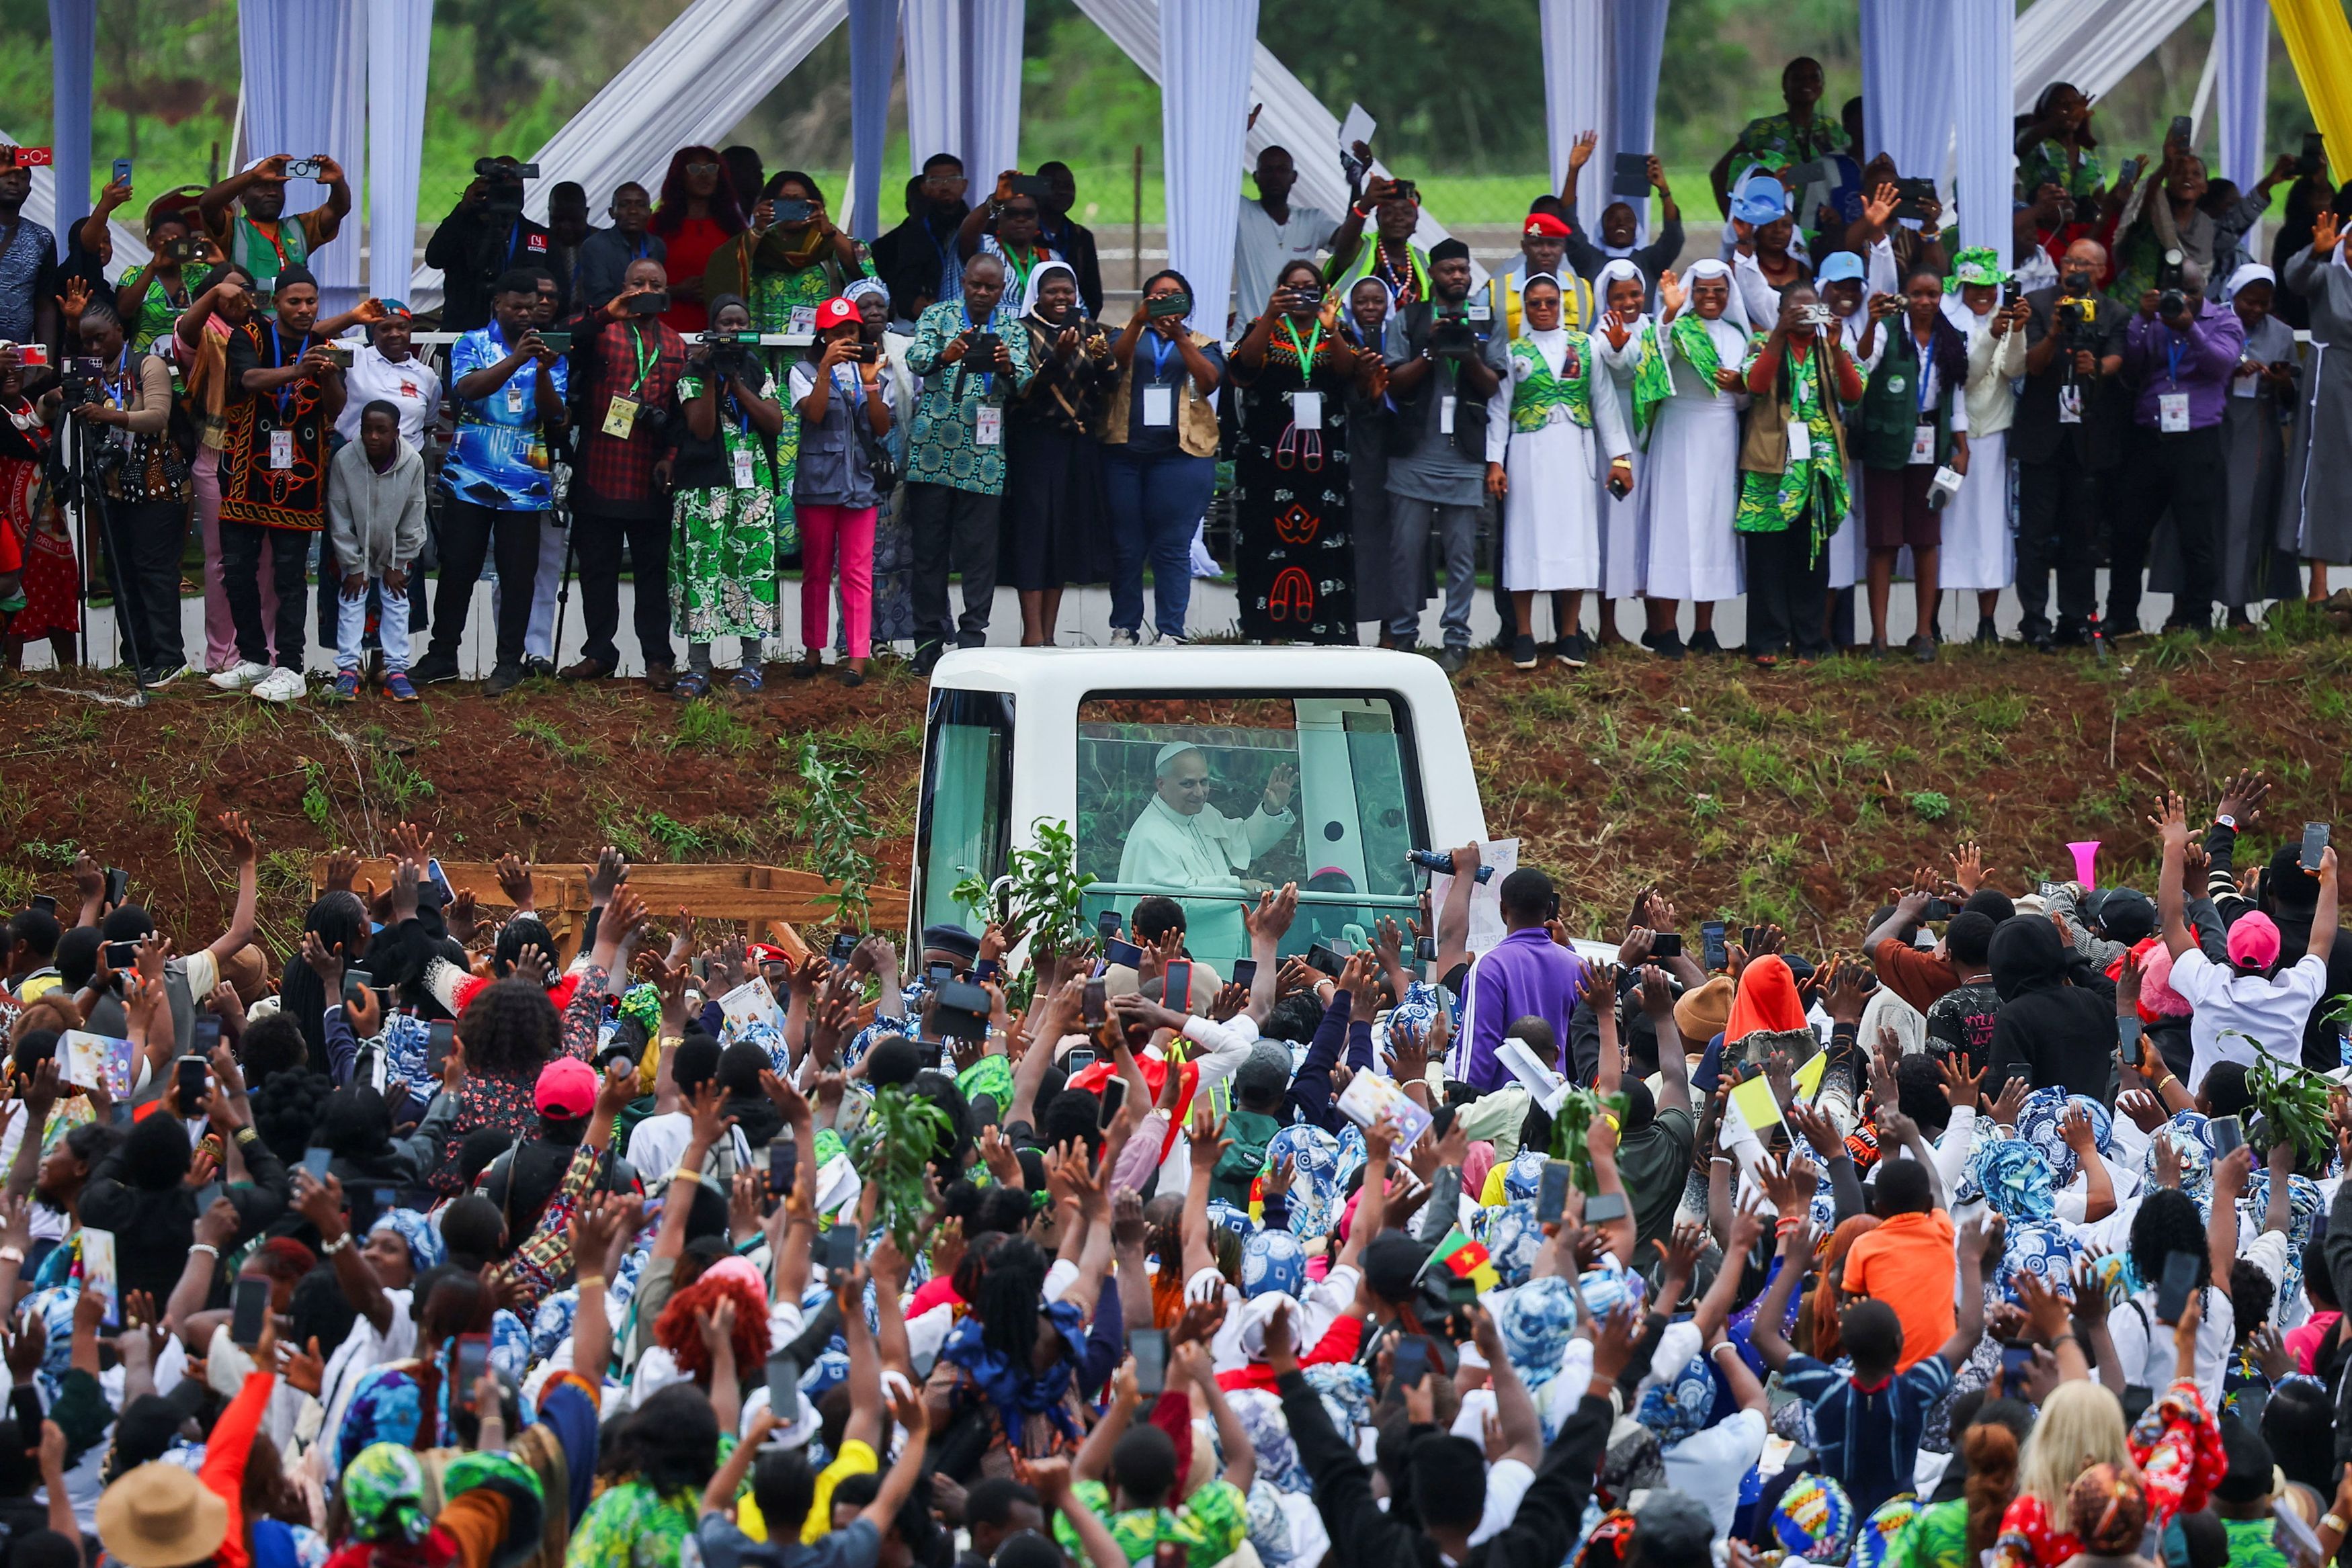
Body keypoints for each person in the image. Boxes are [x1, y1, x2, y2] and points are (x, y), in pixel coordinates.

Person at [416, 268, 568, 695]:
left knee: (518, 575)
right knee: (458, 568)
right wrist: (517, 359)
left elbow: (555, 415)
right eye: (516, 306)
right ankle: (443, 655)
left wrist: (542, 370)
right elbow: (467, 389)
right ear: (497, 304)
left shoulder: (550, 351)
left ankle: (509, 662)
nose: (525, 314)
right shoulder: (471, 342)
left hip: (524, 481)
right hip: (470, 476)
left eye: (531, 307)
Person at [1486, 273, 1634, 668]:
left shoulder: (1585, 347)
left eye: (1550, 302)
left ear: (1562, 305)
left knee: (1574, 537)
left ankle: (1569, 634)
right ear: (1525, 308)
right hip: (1528, 452)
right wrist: (1495, 462)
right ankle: (1524, 634)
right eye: (1535, 303)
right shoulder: (1513, 351)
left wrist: (1620, 458)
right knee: (1525, 536)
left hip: (1575, 452)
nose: (1544, 309)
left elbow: (1604, 402)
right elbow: (1499, 410)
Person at [214, 265, 345, 703]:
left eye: (311, 301)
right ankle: (254, 658)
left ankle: (291, 667)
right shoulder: (249, 336)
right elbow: (248, 380)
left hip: (301, 477)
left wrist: (327, 376)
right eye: (295, 301)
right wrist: (298, 371)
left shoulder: (326, 348)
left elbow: (336, 409)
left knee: (290, 576)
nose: (305, 309)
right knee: (237, 570)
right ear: (276, 303)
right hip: (245, 474)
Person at [900, 252, 1035, 672]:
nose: (981, 293)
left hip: (984, 459)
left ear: (1001, 290)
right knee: (929, 553)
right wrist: (946, 355)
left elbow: (1026, 382)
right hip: (931, 453)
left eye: (990, 287)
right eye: (976, 284)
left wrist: (1008, 367)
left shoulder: (1011, 328)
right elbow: (914, 359)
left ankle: (973, 640)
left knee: (979, 555)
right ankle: (927, 643)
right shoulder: (937, 316)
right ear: (964, 281)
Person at [562, 259, 687, 689]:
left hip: (650, 477)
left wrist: (671, 456)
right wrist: (604, 314)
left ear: (667, 292)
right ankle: (599, 653)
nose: (646, 290)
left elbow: (681, 414)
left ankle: (658, 659)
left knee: (653, 574)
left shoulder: (676, 345)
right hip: (599, 469)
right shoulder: (602, 330)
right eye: (638, 283)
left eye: (655, 284)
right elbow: (563, 339)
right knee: (597, 571)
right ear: (623, 287)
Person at [1228, 261, 1367, 644]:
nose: (1301, 293)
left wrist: (1331, 329)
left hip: (1324, 464)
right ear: (1279, 291)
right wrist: (1271, 315)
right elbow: (1245, 365)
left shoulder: (1337, 329)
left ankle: (1326, 632)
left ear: (1322, 292)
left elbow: (1348, 372)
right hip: (1267, 462)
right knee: (1265, 542)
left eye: (1310, 286)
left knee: (1325, 543)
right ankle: (1267, 632)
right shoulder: (1263, 327)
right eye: (1292, 287)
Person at [2153, 263, 2300, 622]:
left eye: (2264, 303)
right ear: (2234, 295)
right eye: (2250, 301)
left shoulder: (2281, 333)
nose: (2257, 309)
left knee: (2246, 518)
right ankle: (2184, 606)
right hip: (2207, 423)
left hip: (2255, 430)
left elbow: (2291, 396)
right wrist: (2228, 371)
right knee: (2192, 512)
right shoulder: (2211, 319)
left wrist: (2281, 381)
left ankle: (2238, 607)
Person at [1384, 238, 1505, 672]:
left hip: (1464, 455)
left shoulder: (1485, 318)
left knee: (1461, 556)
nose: (1458, 276)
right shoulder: (1410, 317)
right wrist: (1431, 351)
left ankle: (1456, 639)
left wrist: (1468, 353)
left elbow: (1492, 385)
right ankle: (1403, 636)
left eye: (1463, 269)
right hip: (1413, 454)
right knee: (1405, 552)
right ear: (1432, 274)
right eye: (1449, 270)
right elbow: (1395, 381)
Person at [59, 296, 191, 687]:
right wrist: (58, 397)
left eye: (100, 338)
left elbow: (158, 416)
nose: (94, 347)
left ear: (119, 330)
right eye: (87, 341)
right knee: (121, 574)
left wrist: (111, 415)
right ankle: (136, 656)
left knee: (155, 573)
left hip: (157, 488)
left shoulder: (147, 364)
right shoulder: (93, 371)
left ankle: (169, 658)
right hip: (114, 490)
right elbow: (64, 390)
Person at [2111, 259, 2243, 637]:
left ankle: (2198, 620)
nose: (2183, 299)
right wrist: (2141, 319)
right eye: (2177, 291)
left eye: (2191, 292)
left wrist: (2190, 329)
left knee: (2197, 535)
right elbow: (2132, 366)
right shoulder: (2154, 319)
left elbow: (2221, 366)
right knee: (2129, 532)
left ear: (2204, 289)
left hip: (2196, 439)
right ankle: (2121, 617)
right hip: (2150, 436)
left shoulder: (2223, 320)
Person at [1733, 281, 1862, 666]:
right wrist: (1778, 334)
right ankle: (1767, 642)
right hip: (1770, 464)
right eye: (1796, 310)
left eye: (1812, 309)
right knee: (1766, 556)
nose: (1805, 317)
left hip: (1817, 466)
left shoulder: (1830, 347)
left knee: (1811, 556)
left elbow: (1853, 394)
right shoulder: (1761, 343)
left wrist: (1836, 347)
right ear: (1781, 313)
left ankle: (1809, 641)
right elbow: (1755, 385)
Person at [668, 294, 788, 699]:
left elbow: (774, 423)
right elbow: (702, 429)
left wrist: (737, 383)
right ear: (712, 328)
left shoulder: (757, 370)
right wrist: (709, 375)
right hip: (705, 489)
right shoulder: (692, 371)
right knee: (702, 574)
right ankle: (698, 668)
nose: (734, 330)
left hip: (753, 490)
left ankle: (751, 665)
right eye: (726, 323)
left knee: (752, 572)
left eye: (741, 323)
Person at [1102, 269, 1224, 648]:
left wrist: (1180, 338)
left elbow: (1210, 381)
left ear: (1187, 304)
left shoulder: (1203, 343)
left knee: (1172, 546)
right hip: (1125, 455)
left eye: (1174, 295)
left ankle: (1171, 629)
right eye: (1158, 295)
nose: (1166, 301)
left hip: (1181, 457)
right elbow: (1112, 366)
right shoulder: (1123, 334)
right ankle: (1125, 628)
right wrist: (1140, 320)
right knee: (1127, 547)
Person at [2014, 238, 2126, 650]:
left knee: (2081, 535)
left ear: (2101, 272)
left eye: (2084, 263)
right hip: (2042, 437)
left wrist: (2095, 367)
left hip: (2088, 438)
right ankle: (2034, 623)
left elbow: (2117, 358)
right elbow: (2032, 364)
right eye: (2069, 261)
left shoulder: (2114, 311)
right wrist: (2054, 333)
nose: (2074, 269)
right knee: (2036, 536)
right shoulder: (2039, 304)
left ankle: (2075, 619)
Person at [1633, 259, 1748, 659]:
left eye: (1719, 290)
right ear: (1691, 292)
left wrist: (1742, 385)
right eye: (1702, 290)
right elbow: (1657, 361)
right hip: (1679, 431)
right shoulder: (1677, 326)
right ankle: (1666, 629)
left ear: (1729, 294)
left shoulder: (1738, 335)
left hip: (1721, 437)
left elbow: (1747, 396)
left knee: (1713, 528)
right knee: (1673, 525)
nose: (1711, 297)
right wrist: (1669, 313)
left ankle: (1704, 629)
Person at [1859, 267, 1970, 660]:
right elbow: (1862, 365)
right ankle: (1879, 637)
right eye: (1917, 294)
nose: (1925, 301)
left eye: (1933, 294)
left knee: (1927, 539)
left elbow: (1956, 397)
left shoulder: (1952, 338)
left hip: (1932, 448)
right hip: (1886, 446)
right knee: (1883, 541)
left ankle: (1924, 633)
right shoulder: (1887, 330)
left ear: (1942, 297)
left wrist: (1961, 448)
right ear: (1905, 296)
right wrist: (1870, 323)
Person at [1001, 259, 1114, 647]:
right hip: (1034, 444)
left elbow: (1111, 379)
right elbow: (1022, 391)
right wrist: (1058, 359)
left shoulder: (1088, 329)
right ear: (1038, 295)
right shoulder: (1020, 331)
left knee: (1062, 535)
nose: (1061, 297)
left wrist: (1100, 352)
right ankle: (1031, 633)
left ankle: (1049, 635)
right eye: (1053, 291)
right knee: (1035, 534)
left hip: (1077, 445)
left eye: (1068, 291)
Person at [790, 295, 892, 685]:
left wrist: (870, 384)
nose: (847, 339)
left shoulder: (871, 369)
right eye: (837, 334)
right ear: (822, 337)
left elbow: (881, 427)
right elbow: (814, 414)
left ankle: (857, 657)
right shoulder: (802, 370)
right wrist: (825, 369)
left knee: (857, 573)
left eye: (852, 331)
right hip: (817, 485)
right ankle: (813, 651)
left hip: (861, 486)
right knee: (816, 571)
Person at [1116, 744, 1296, 957]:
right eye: (1188, 784)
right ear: (1161, 784)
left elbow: (1244, 843)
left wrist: (1272, 809)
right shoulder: (1150, 834)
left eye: (1204, 782)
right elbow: (1173, 904)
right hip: (1189, 958)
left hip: (1221, 955)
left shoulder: (1203, 814)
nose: (1199, 792)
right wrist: (1237, 887)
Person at [1943, 251, 2029, 644]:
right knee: (1946, 527)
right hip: (1952, 439)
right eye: (1974, 286)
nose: (1982, 293)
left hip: (1994, 437)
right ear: (1961, 287)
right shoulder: (1948, 321)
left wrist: (2017, 330)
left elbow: (2014, 369)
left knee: (1991, 531)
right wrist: (1993, 335)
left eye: (1989, 286)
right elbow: (1967, 377)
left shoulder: (2004, 317)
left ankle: (1987, 624)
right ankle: (1931, 624)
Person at [1448, 867, 1586, 1092]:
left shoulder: (1488, 967)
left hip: (1504, 1106)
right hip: (1557, 1102)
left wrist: (1464, 1100)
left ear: (1503, 909)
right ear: (1549, 909)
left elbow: (1478, 1049)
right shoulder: (1577, 966)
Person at [325, 402, 427, 702]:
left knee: (397, 600)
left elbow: (415, 513)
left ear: (396, 432)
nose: (373, 437)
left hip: (394, 544)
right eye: (367, 429)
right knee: (351, 597)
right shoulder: (345, 459)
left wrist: (398, 561)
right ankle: (348, 670)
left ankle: (396, 671)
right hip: (355, 542)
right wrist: (354, 564)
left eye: (381, 430)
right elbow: (339, 513)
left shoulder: (413, 462)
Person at [2277, 208, 2352, 599]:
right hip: (2332, 385)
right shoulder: (2328, 276)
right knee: (2323, 474)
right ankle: (2319, 589)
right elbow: (2294, 278)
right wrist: (2315, 252)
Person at [1339, 276, 1410, 643]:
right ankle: (1346, 626)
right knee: (1353, 538)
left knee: (1394, 539)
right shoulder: (1343, 339)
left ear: (1388, 305)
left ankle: (1391, 628)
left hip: (1395, 446)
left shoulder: (1400, 337)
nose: (1370, 308)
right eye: (1362, 302)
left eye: (1377, 301)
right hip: (1354, 446)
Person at [1589, 261, 1652, 648]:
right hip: (1615, 436)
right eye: (1618, 296)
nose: (1629, 302)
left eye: (1635, 294)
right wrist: (1617, 346)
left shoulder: (1653, 326)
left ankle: (1658, 626)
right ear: (1605, 299)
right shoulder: (1601, 332)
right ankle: (1608, 628)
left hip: (1651, 432)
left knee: (1649, 523)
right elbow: (1619, 361)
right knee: (1613, 523)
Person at [422, 156, 552, 333]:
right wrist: (463, 209)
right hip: (464, 332)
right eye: (501, 189)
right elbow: (434, 259)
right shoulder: (463, 227)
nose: (507, 195)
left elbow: (555, 286)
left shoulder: (538, 235)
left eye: (514, 189)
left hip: (520, 334)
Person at [196, 152, 349, 302]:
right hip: (248, 318)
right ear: (242, 197)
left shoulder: (300, 228)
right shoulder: (232, 229)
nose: (272, 192)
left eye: (277, 186)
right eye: (261, 186)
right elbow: (208, 205)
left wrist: (338, 182)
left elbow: (337, 209)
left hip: (294, 317)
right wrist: (253, 176)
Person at [1712, 57, 1842, 215]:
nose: (1807, 83)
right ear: (1785, 87)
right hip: (1778, 226)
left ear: (1822, 87)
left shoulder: (1832, 129)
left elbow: (1848, 170)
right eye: (1798, 78)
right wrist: (1734, 218)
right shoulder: (1765, 130)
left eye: (1814, 78)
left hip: (1827, 222)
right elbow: (1720, 173)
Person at [1560, 152, 1685, 309]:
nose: (1621, 224)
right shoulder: (1589, 260)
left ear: (1637, 229)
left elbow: (1674, 236)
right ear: (1602, 228)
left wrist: (1664, 190)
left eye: (1628, 219)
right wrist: (1573, 170)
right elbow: (1568, 222)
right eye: (1613, 219)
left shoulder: (1649, 261)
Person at [1235, 146, 1339, 325]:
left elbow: (1347, 244)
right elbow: (1214, 180)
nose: (1275, 176)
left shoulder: (1313, 220)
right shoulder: (1241, 211)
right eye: (1268, 170)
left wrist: (1359, 198)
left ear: (1294, 177)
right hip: (1248, 332)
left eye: (1282, 170)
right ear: (1256, 177)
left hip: (1296, 333)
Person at [648, 148, 747, 334]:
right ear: (679, 176)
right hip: (666, 330)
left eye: (711, 169)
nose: (704, 175)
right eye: (694, 169)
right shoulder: (658, 225)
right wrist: (675, 291)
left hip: (721, 330)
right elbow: (636, 292)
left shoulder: (734, 226)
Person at [332, 300, 439, 449]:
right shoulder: (356, 356)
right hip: (354, 455)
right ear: (372, 333)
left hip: (407, 460)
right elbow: (309, 341)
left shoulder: (427, 376)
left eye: (402, 327)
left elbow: (427, 424)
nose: (395, 334)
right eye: (385, 329)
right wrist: (352, 317)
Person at [879, 154, 972, 320]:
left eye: (952, 179)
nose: (945, 187)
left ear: (964, 185)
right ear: (924, 187)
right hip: (931, 317)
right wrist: (912, 303)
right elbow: (905, 283)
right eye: (935, 181)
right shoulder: (913, 233)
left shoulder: (979, 225)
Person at [1483, 211, 1591, 342]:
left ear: (1564, 248)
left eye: (1553, 244)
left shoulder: (1582, 290)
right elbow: (1480, 340)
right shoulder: (1494, 292)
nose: (1545, 251)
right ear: (1524, 247)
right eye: (1537, 244)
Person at [0, 155, 58, 358]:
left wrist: (46, 360)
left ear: (29, 190)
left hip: (19, 357)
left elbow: (44, 305)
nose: (14, 181)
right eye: (6, 175)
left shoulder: (42, 237)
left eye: (22, 177)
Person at [578, 182, 667, 314]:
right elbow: (599, 299)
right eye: (624, 205)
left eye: (641, 205)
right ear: (611, 213)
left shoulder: (658, 246)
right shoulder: (595, 246)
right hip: (609, 323)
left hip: (648, 321)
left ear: (650, 213)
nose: (633, 211)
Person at [1034, 163, 1105, 319]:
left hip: (1071, 322)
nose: (1063, 192)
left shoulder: (1081, 237)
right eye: (1054, 186)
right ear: (1038, 189)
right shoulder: (1022, 232)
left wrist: (1081, 326)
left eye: (1068, 186)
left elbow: (1093, 297)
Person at [2015, 84, 2105, 204]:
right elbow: (2021, 147)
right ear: (2046, 110)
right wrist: (2058, 120)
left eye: (2076, 104)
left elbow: (2100, 200)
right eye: (2063, 104)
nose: (2071, 109)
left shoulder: (2088, 153)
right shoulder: (2035, 141)